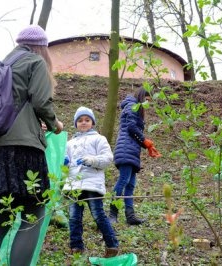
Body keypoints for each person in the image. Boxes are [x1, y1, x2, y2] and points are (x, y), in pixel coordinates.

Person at [0, 25, 64, 266]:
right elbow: (42, 102)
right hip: (22, 150)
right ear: (42, 46)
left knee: (2, 218)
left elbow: (14, 107)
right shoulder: (34, 62)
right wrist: (55, 124)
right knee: (33, 214)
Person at [62, 106, 119, 258]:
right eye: (80, 120)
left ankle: (112, 245)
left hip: (92, 184)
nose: (83, 123)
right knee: (74, 216)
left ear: (92, 122)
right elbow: (64, 167)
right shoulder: (69, 143)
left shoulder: (99, 139)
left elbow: (108, 158)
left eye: (87, 120)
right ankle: (76, 247)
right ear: (75, 124)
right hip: (74, 184)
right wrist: (64, 163)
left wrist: (92, 160)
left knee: (98, 214)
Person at [109, 88, 161, 225]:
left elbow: (133, 130)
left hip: (131, 150)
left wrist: (146, 145)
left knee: (130, 184)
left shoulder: (133, 106)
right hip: (126, 148)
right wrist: (145, 141)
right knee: (123, 180)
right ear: (142, 96)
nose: (147, 104)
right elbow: (131, 127)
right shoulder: (132, 106)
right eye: (147, 100)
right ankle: (112, 214)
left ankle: (130, 216)